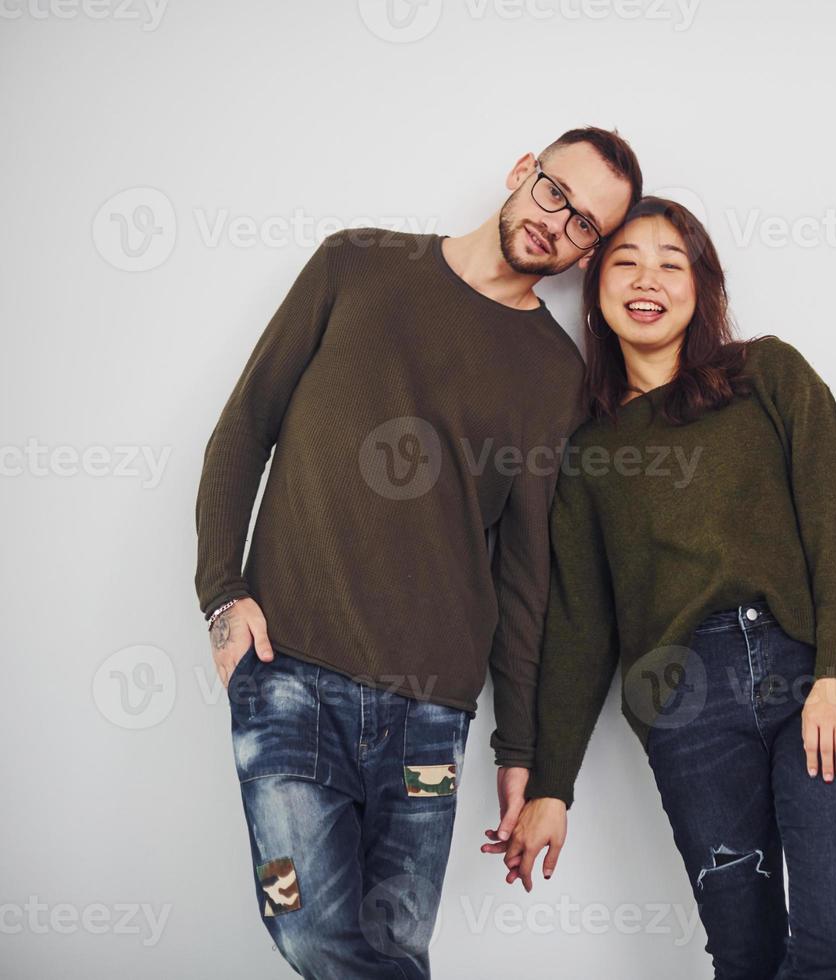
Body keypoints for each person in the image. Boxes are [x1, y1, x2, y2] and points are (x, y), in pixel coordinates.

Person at [194, 127, 641, 978]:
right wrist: (221, 591)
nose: (559, 224)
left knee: (396, 946)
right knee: (309, 931)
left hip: (431, 712)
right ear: (521, 171)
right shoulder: (355, 264)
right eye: (555, 193)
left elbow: (526, 577)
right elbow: (245, 425)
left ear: (589, 252)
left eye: (586, 225)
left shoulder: (555, 373)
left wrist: (520, 752)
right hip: (286, 667)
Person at [499, 197, 836, 979]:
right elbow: (580, 630)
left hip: (809, 671)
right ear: (597, 291)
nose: (648, 280)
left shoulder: (768, 375)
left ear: (700, 286)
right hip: (687, 706)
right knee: (743, 957)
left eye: (671, 264)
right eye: (625, 262)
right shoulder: (590, 455)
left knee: (834, 945)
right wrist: (551, 786)